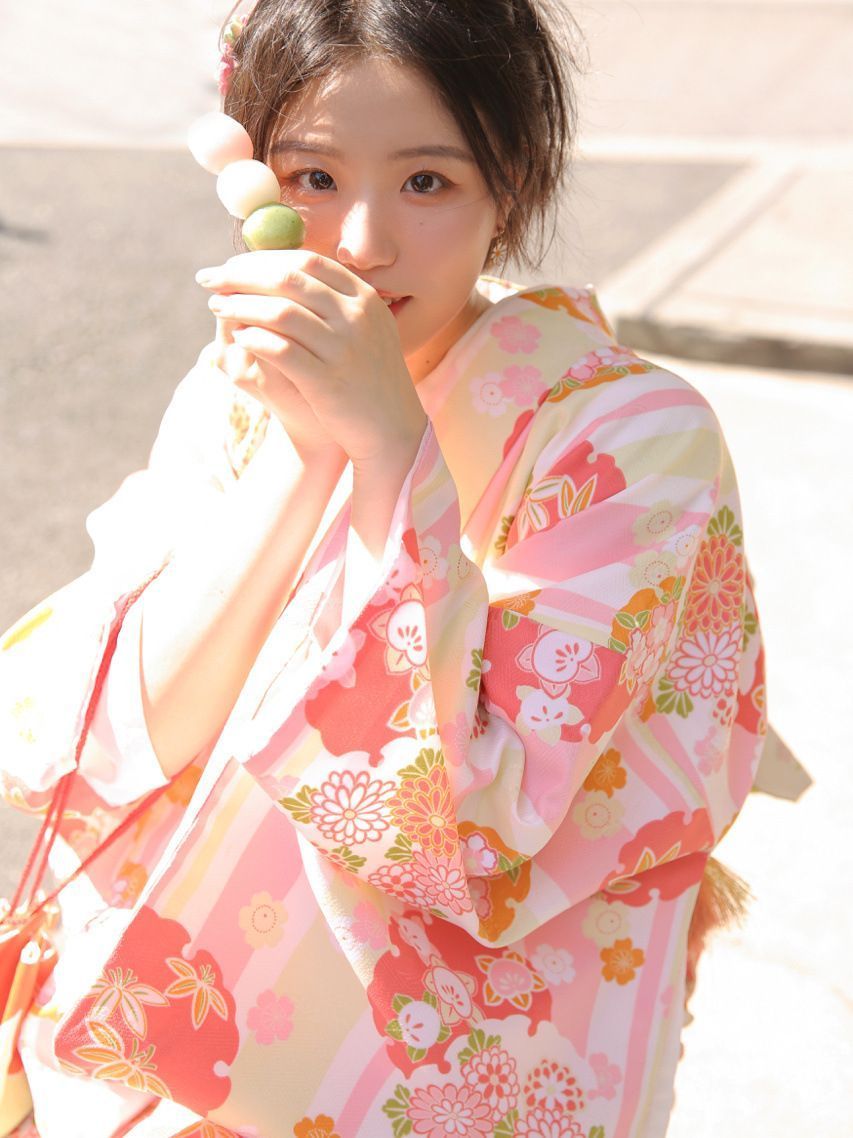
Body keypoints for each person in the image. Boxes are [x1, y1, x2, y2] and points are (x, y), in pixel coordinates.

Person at [0, 1, 769, 1136]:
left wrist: (392, 456)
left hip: (433, 1081)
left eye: (426, 181)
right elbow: (121, 738)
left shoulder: (635, 440)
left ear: (509, 183)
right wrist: (309, 451)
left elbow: (475, 822)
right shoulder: (235, 392)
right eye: (312, 178)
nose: (360, 242)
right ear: (253, 184)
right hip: (148, 1061)